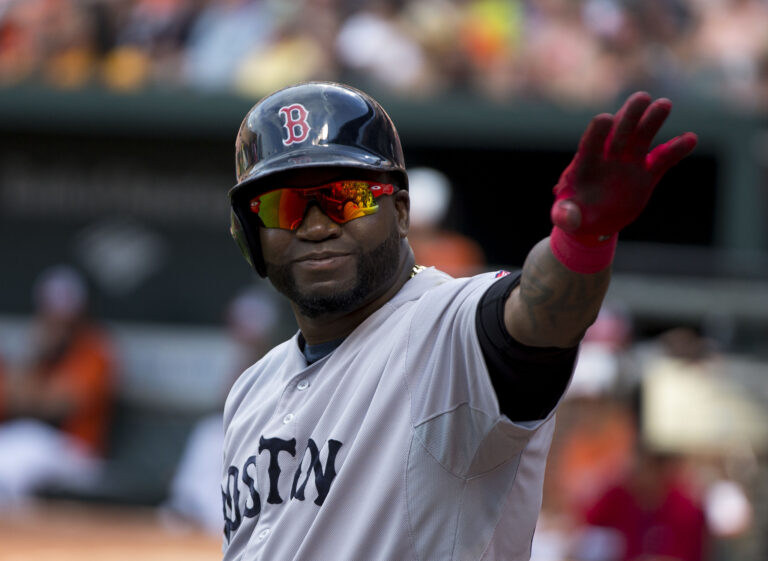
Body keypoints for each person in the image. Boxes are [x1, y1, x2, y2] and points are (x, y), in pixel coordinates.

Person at [222, 81, 697, 560]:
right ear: (251, 234)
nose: (318, 226)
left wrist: (583, 242)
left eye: (348, 198)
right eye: (283, 207)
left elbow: (533, 319)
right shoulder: (250, 391)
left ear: (401, 212)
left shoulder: (446, 330)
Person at [0, 265, 115, 505]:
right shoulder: (37, 351)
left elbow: (58, 404)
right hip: (33, 441)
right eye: (51, 310)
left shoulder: (95, 351)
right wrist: (36, 354)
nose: (56, 320)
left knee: (15, 462)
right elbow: (11, 398)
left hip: (79, 453)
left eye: (64, 312)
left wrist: (31, 394)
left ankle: (20, 539)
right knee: (18, 448)